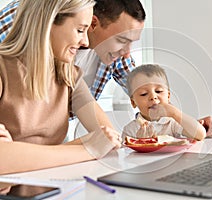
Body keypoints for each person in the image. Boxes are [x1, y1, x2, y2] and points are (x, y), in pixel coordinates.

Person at [0, 0, 212, 138]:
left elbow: (150, 98)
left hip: (50, 147)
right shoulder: (22, 23)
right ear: (93, 24)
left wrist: (186, 122)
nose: (127, 53)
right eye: (122, 40)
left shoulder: (76, 73)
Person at [0, 0, 123, 175]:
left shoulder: (69, 75)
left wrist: (87, 145)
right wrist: (86, 148)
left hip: (55, 187)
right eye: (80, 30)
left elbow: (107, 140)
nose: (85, 42)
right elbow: (2, 160)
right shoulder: (3, 69)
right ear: (48, 23)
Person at [123, 64, 207, 141]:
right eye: (144, 94)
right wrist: (139, 142)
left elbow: (200, 134)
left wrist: (175, 113)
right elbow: (124, 156)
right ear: (133, 102)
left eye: (158, 91)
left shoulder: (172, 122)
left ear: (168, 96)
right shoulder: (130, 130)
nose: (153, 97)